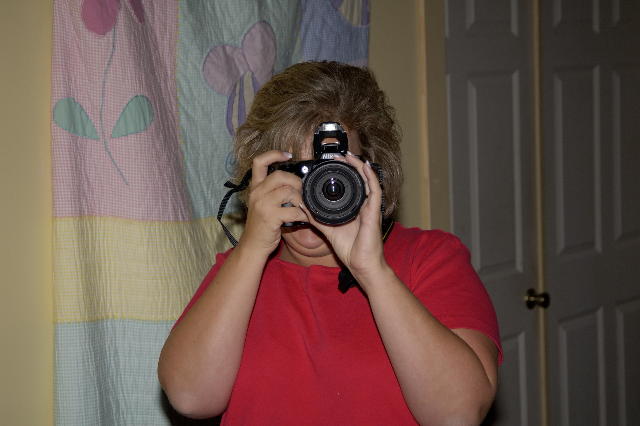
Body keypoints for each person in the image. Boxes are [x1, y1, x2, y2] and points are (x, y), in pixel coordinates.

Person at [158, 61, 502, 425]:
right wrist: (251, 249)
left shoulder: (429, 259)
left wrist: (373, 272)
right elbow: (191, 397)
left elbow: (458, 413)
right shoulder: (241, 272)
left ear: (374, 174)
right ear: (260, 178)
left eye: (334, 172)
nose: (313, 192)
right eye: (297, 172)